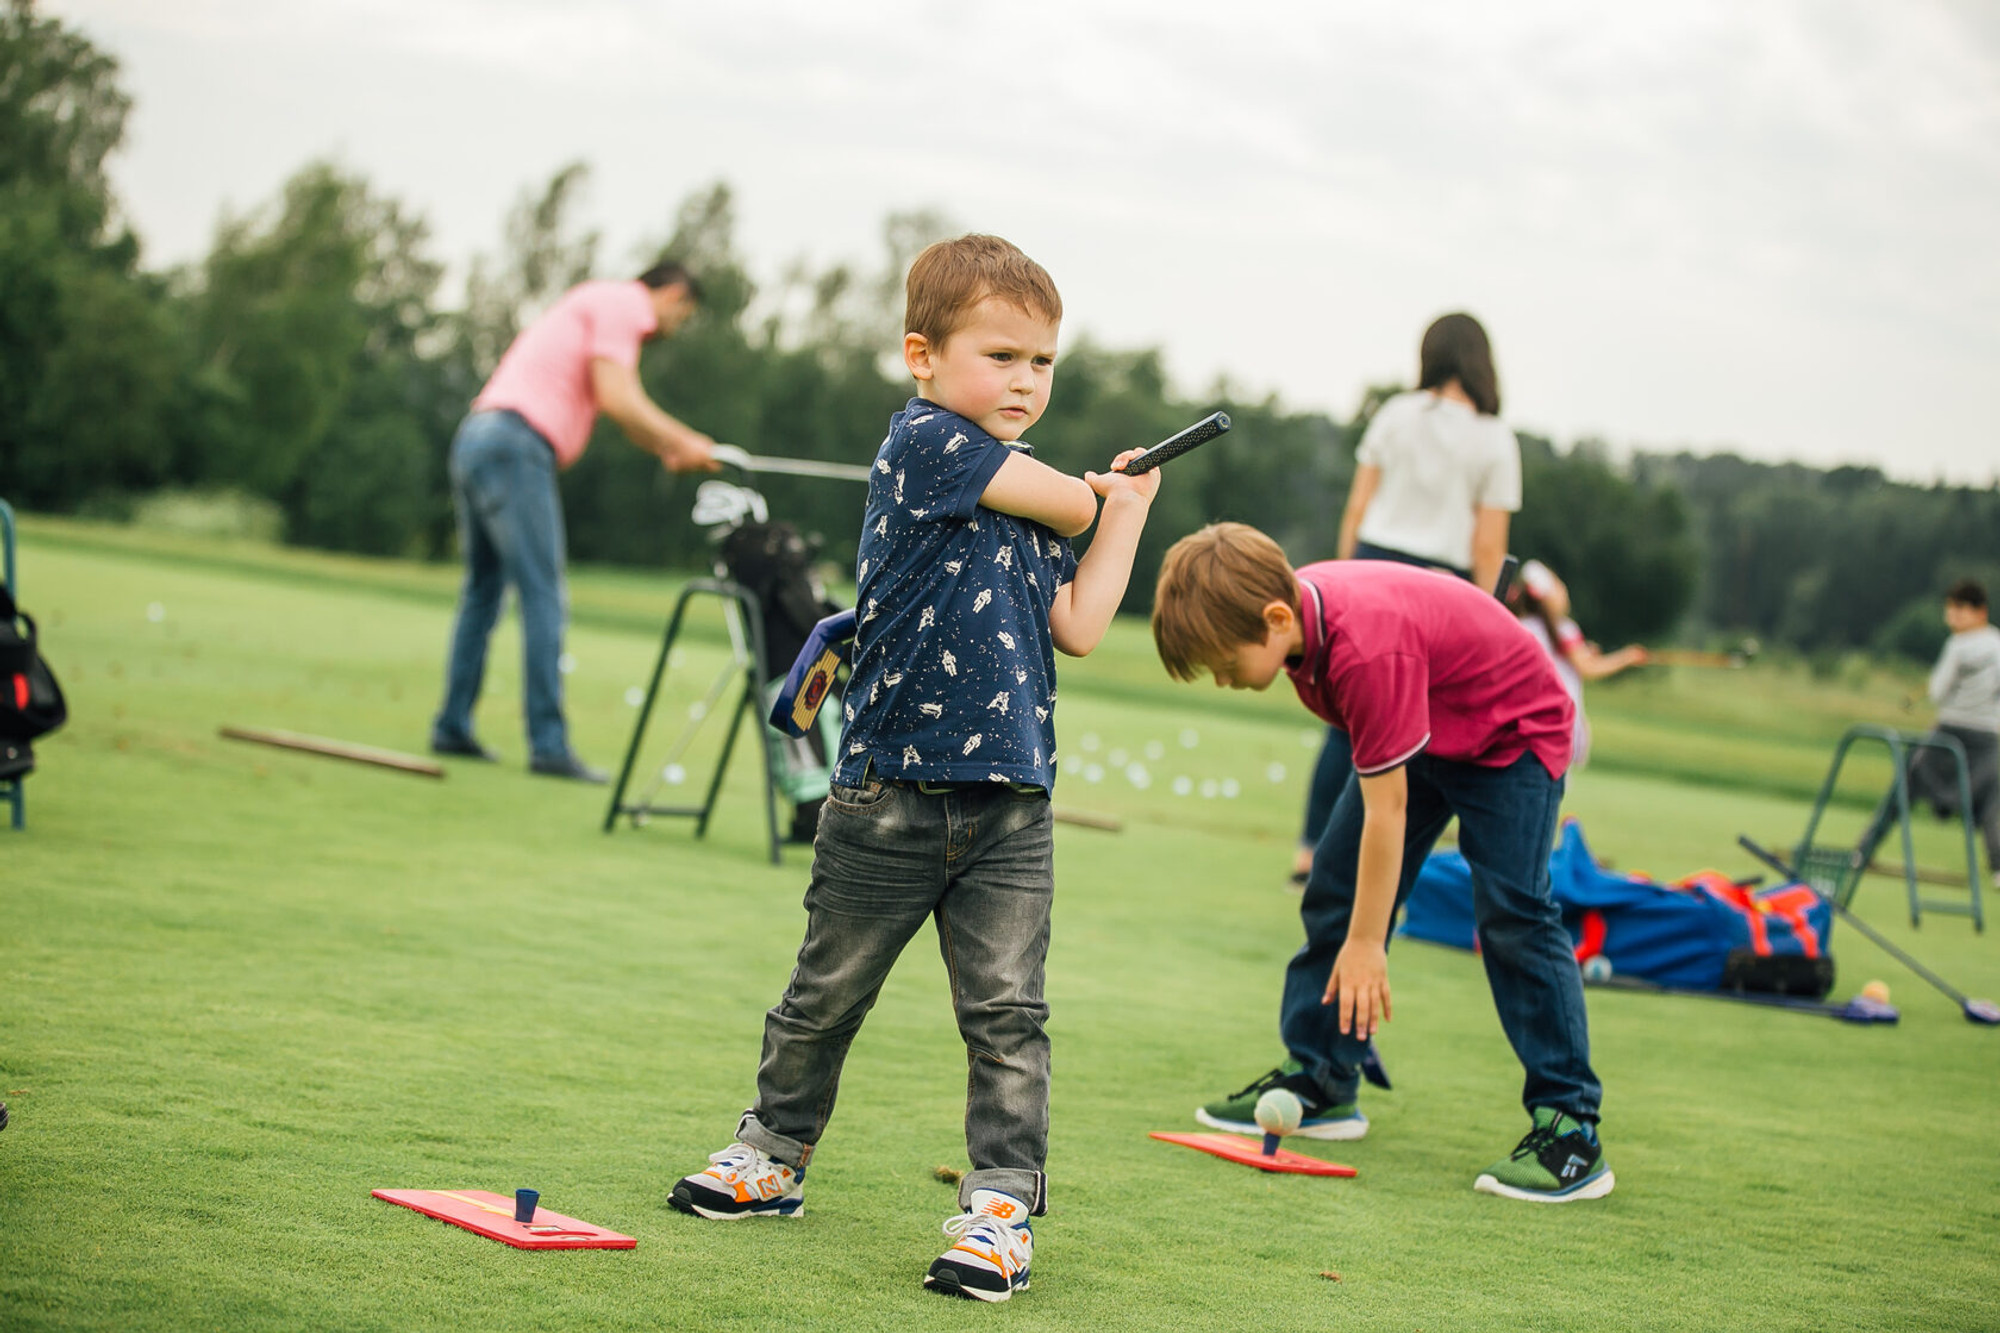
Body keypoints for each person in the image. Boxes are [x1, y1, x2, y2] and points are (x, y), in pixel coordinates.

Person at [668, 235, 1159, 1302]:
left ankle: (998, 1213)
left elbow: (1076, 622)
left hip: (1009, 808)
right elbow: (1070, 503)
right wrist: (1098, 501)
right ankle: (771, 1155)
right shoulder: (927, 443)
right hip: (885, 789)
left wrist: (1129, 516)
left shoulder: (1027, 497)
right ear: (922, 357)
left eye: (1041, 363)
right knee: (823, 994)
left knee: (1005, 1016)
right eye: (1001, 355)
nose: (1024, 380)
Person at [1152, 522, 1613, 1203]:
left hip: (1512, 735)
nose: (1223, 681)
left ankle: (1571, 1127)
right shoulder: (1301, 625)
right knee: (1334, 886)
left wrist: (1369, 943)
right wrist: (1358, 923)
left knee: (1515, 912)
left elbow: (1387, 811)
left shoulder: (1363, 651)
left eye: (1225, 663)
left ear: (1276, 618)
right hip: (1433, 725)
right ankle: (1324, 1077)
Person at [429, 260, 719, 782]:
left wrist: (664, 448)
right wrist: (685, 439)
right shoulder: (623, 306)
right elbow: (618, 396)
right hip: (516, 445)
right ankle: (549, 746)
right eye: (684, 315)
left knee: (483, 591)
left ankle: (452, 725)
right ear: (673, 295)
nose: (676, 328)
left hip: (479, 437)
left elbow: (615, 406)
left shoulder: (596, 302)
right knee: (543, 594)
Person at [1291, 313, 1520, 883]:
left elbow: (1358, 506)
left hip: (1368, 566)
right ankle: (1386, 867)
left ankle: (1311, 852)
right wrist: (1495, 622)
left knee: (1343, 719)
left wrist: (1339, 585)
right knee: (1412, 727)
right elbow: (1489, 546)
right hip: (1437, 591)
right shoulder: (1495, 437)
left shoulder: (1396, 413)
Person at [1857, 579, 2000, 889]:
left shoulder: (1958, 645)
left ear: (1979, 612)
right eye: (1950, 609)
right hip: (1989, 735)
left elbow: (1936, 692)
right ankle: (1999, 870)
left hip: (1949, 732)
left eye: (1960, 610)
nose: (1952, 617)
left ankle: (1862, 850)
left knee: (1905, 786)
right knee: (1992, 802)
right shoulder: (1997, 643)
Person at [1512, 559, 1647, 771]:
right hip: (1559, 721)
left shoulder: (1519, 626)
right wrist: (1627, 658)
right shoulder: (1564, 629)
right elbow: (1589, 668)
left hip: (1525, 722)